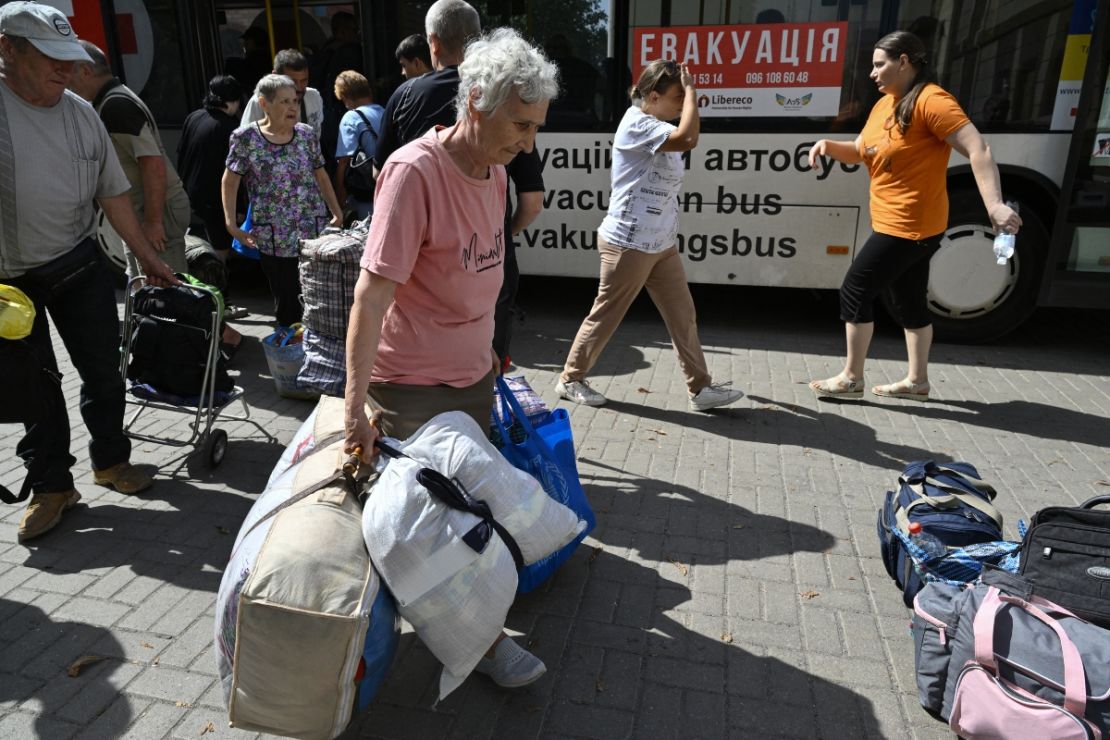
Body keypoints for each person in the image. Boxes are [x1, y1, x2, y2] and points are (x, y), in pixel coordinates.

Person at [343, 27, 559, 690]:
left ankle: (478, 612)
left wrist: (494, 353)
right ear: (477, 104)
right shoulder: (414, 173)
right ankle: (483, 644)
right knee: (434, 528)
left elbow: (485, 276)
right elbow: (370, 297)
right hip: (411, 386)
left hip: (471, 378)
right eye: (520, 125)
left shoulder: (493, 173)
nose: (527, 144)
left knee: (466, 515)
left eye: (534, 127)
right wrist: (355, 409)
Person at [0, 1, 177, 543]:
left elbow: (113, 193)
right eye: (50, 58)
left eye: (69, 58)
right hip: (8, 283)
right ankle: (53, 487)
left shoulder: (80, 112)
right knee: (35, 389)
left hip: (76, 263)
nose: (65, 69)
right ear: (7, 49)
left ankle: (111, 462)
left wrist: (149, 258)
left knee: (102, 370)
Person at [807, 31, 1021, 401]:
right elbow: (861, 150)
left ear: (904, 61)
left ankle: (852, 377)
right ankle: (917, 382)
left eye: (879, 64)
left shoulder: (932, 101)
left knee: (855, 290)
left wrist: (994, 205)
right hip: (900, 223)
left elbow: (978, 148)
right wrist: (828, 145)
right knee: (908, 302)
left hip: (910, 225)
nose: (872, 73)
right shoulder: (884, 104)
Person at [555, 60, 744, 412]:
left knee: (683, 314)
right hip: (629, 242)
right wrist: (694, 96)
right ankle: (570, 378)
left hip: (661, 243)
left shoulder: (658, 123)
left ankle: (700, 389)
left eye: (683, 98)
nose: (681, 104)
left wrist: (686, 98)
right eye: (677, 97)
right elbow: (689, 138)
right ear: (653, 96)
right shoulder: (638, 123)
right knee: (607, 314)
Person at [222, 74, 343, 327]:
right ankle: (292, 352)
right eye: (284, 102)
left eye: (295, 101)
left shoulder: (306, 134)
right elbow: (230, 181)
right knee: (288, 300)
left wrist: (336, 211)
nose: (292, 107)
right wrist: (231, 224)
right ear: (264, 104)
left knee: (319, 296)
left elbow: (320, 174)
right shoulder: (246, 138)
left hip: (313, 230)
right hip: (275, 236)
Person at [67, 40, 189, 276]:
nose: (67, 86)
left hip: (156, 210)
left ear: (85, 71)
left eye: (68, 76)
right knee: (148, 286)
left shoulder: (116, 106)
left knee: (166, 292)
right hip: (146, 210)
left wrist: (153, 222)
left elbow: (152, 164)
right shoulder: (112, 100)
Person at [372, 0, 480, 172]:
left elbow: (380, 173)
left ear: (434, 43)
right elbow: (530, 191)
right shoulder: (502, 91)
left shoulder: (404, 95)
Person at [333, 70, 383, 222]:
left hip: (365, 195)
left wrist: (339, 192)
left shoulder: (351, 117)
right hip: (386, 184)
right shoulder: (385, 110)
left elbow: (344, 160)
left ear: (345, 96)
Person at [240, 48, 323, 138]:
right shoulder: (260, 102)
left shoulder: (314, 96)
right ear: (275, 76)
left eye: (304, 80)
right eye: (292, 81)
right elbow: (245, 140)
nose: (299, 87)